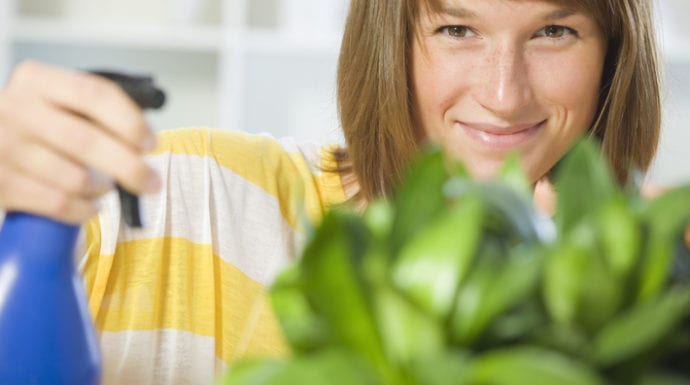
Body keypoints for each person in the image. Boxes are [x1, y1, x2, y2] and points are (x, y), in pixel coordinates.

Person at [0, 0, 685, 384]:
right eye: (455, 29)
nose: (504, 96)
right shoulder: (178, 199)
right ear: (388, 41)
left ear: (614, 57)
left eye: (554, 32)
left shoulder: (656, 291)